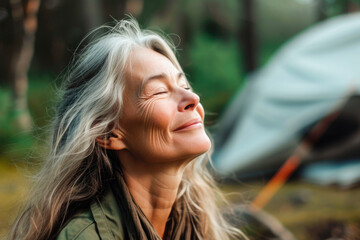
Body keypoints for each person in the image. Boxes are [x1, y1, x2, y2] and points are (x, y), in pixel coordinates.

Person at [6, 18, 245, 240]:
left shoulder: (193, 218)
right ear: (108, 132)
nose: (192, 97)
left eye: (183, 84)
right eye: (159, 91)